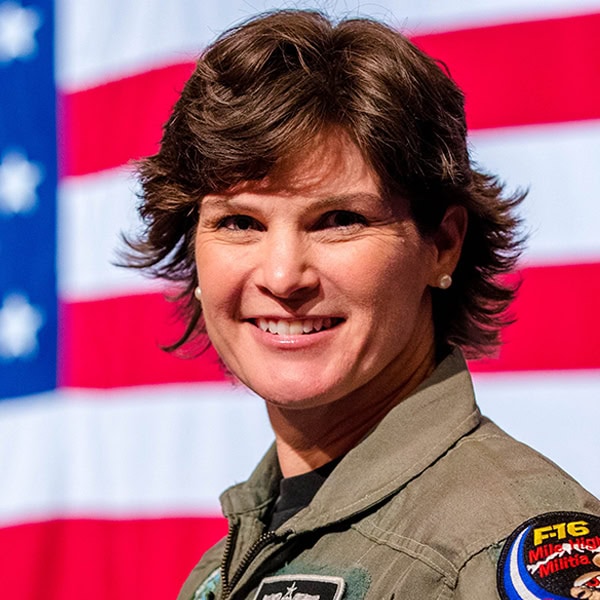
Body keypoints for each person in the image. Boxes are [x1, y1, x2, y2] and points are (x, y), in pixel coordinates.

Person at [126, 10, 600, 600]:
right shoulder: (229, 564)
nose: (282, 276)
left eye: (339, 221)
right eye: (240, 222)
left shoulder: (498, 550)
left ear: (443, 246)